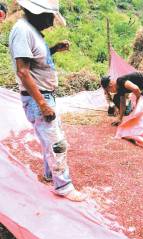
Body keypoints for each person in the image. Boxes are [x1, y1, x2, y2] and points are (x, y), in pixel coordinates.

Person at [9, 0, 86, 201]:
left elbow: (34, 60)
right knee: (56, 143)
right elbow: (23, 71)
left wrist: (53, 48)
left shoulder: (30, 29)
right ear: (38, 13)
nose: (52, 22)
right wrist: (43, 104)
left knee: (49, 138)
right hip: (39, 98)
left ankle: (49, 174)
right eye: (50, 17)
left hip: (45, 97)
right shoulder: (22, 30)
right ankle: (64, 187)